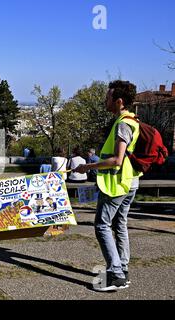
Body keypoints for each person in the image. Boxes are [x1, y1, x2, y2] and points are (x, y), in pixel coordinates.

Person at [74, 80, 142, 292]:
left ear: (119, 101)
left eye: (108, 97)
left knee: (102, 225)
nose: (105, 100)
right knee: (119, 224)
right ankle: (122, 269)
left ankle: (115, 275)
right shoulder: (132, 120)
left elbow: (117, 159)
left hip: (117, 183)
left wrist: (88, 166)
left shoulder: (123, 123)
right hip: (130, 181)